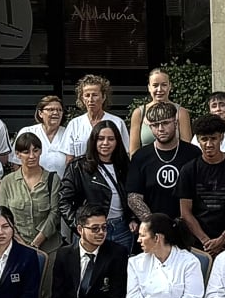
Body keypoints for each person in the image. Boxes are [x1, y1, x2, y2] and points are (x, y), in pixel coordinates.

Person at [0, 131, 62, 298]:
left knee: (46, 295)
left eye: (36, 150)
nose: (32, 155)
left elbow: (55, 213)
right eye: (26, 151)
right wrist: (20, 241)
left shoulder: (52, 179)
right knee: (18, 294)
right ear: (18, 154)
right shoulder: (8, 181)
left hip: (48, 247)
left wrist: (36, 243)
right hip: (16, 247)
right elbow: (3, 215)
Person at [125, 101, 199, 244]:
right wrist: (155, 225)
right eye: (155, 125)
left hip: (188, 231)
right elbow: (134, 197)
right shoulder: (141, 157)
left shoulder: (193, 153)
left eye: (165, 123)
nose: (160, 129)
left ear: (176, 123)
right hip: (153, 234)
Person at [180, 113, 225, 256]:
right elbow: (185, 212)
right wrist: (205, 240)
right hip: (198, 244)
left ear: (221, 137)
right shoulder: (188, 170)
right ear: (198, 139)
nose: (209, 144)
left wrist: (223, 239)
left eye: (213, 139)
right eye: (204, 139)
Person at [62, 119, 132, 253]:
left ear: (117, 141)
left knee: (120, 272)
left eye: (111, 139)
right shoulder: (78, 166)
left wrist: (133, 218)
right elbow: (64, 201)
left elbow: (132, 195)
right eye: (101, 139)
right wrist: (80, 225)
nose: (105, 143)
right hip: (91, 230)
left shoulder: (125, 166)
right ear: (93, 141)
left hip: (121, 230)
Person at [61, 74, 130, 163]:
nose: (90, 99)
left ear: (103, 97)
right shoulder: (74, 124)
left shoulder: (117, 122)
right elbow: (69, 158)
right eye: (87, 95)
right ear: (82, 98)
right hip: (82, 174)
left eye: (95, 95)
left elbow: (125, 154)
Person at [126, 67, 194, 153]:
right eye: (155, 85)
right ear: (149, 87)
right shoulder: (139, 113)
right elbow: (133, 151)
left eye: (164, 85)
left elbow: (187, 148)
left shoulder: (181, 112)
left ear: (170, 86)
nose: (159, 89)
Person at [16, 95, 72, 174]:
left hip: (62, 184)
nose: (56, 113)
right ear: (40, 113)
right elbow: (16, 163)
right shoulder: (27, 132)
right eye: (51, 109)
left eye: (59, 110)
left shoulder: (69, 134)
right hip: (32, 185)